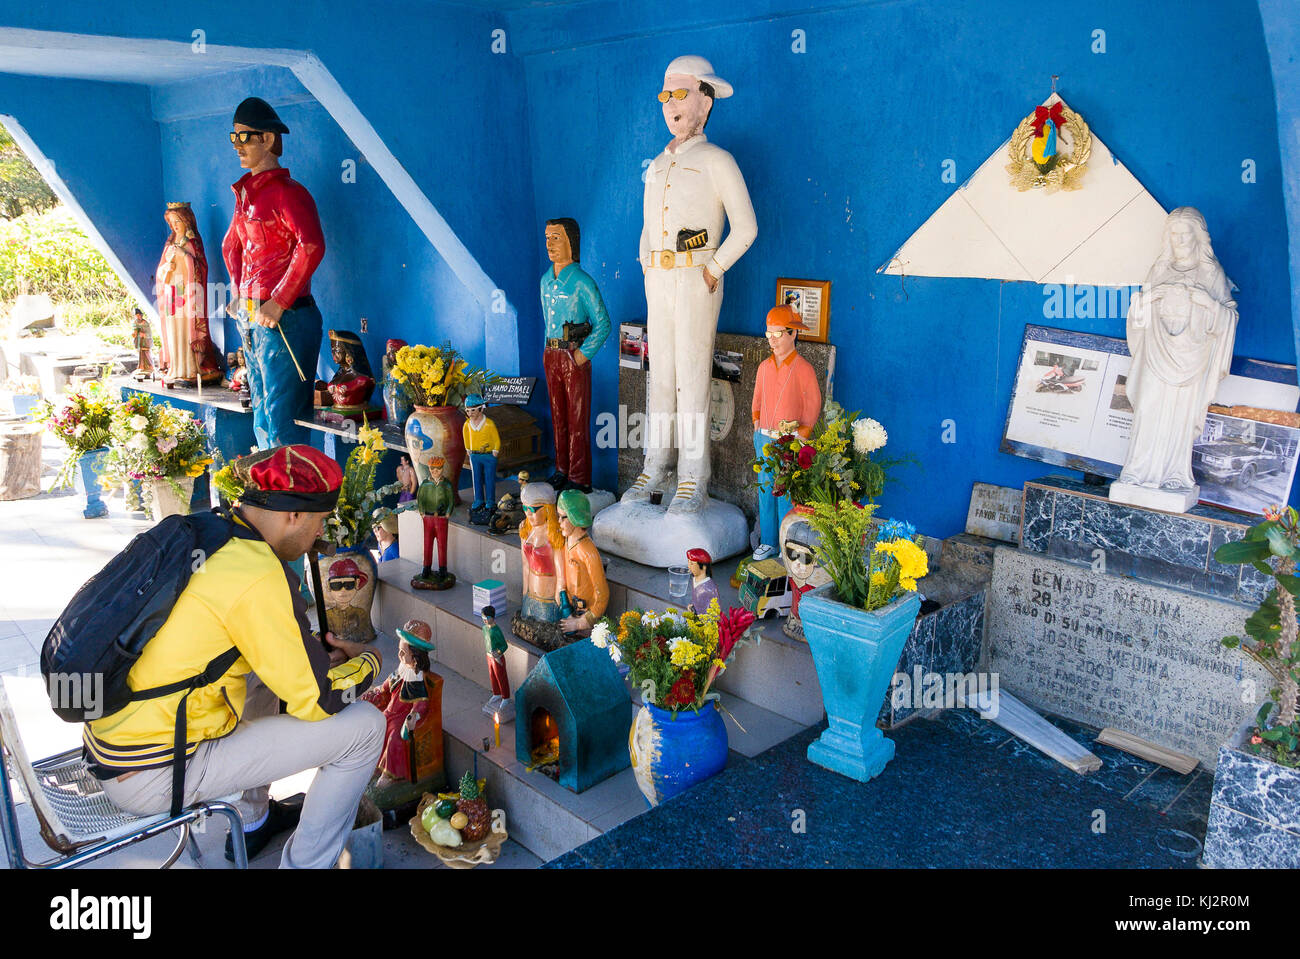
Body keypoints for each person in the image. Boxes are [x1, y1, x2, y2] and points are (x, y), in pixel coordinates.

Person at [89, 444, 384, 868]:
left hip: (118, 743)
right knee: (366, 728)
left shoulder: (209, 530)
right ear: (293, 516)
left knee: (263, 678)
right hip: (155, 770)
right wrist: (368, 661)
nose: (319, 536)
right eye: (320, 521)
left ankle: (253, 819)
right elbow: (317, 701)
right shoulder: (257, 572)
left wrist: (309, 652)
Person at [627, 55, 757, 513]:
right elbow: (647, 223)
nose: (670, 105)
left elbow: (746, 227)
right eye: (665, 96)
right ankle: (655, 465)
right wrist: (645, 261)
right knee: (659, 375)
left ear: (705, 100)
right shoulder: (657, 165)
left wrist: (712, 269)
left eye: (680, 94)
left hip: (695, 275)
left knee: (692, 374)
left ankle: (692, 476)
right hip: (658, 280)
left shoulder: (717, 160)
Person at [222, 96, 326, 450]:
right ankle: (270, 494)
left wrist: (279, 301)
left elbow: (311, 245)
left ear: (267, 139)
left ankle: (293, 497)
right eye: (233, 138)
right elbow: (230, 247)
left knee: (284, 418)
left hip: (287, 319)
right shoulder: (246, 196)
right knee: (262, 412)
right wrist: (239, 294)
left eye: (245, 137)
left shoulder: (288, 194)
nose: (238, 146)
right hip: (255, 315)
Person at [1116, 207, 1238, 494]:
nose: (1180, 240)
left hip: (1191, 358)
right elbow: (1139, 317)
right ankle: (1136, 470)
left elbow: (1229, 316)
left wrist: (1207, 303)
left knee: (1180, 416)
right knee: (1147, 410)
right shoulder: (1159, 269)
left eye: (1186, 234)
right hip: (1156, 354)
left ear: (1198, 237)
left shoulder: (1211, 272)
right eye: (1175, 234)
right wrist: (1147, 300)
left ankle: (1175, 474)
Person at [540, 217, 611, 494]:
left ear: (571, 242)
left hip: (572, 355)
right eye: (547, 238)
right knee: (557, 416)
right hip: (551, 353)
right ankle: (562, 469)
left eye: (556, 237)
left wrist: (581, 355)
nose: (550, 244)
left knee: (577, 418)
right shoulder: (546, 281)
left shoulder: (582, 282)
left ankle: (579, 476)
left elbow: (603, 323)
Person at [752, 304, 822, 547]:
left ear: (793, 334)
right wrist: (756, 423)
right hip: (764, 438)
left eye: (778, 334)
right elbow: (757, 399)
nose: (772, 340)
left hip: (790, 440)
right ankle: (768, 542)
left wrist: (803, 432)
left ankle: (785, 545)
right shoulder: (764, 367)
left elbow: (813, 402)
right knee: (765, 492)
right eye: (769, 334)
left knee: (787, 494)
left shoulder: (804, 369)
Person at [362, 620, 441, 790]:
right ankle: (373, 767)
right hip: (389, 712)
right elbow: (384, 688)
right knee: (375, 727)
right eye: (399, 651)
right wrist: (373, 694)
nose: (400, 656)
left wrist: (413, 716)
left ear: (416, 656)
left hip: (401, 717)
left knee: (394, 738)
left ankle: (390, 775)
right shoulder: (400, 671)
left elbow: (421, 704)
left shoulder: (419, 679)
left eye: (403, 652)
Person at [556, 489, 609, 635]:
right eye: (558, 516)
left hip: (585, 619)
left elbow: (602, 595)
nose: (559, 522)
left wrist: (580, 623)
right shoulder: (567, 541)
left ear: (575, 517)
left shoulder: (587, 551)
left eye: (563, 517)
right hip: (569, 609)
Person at [412, 454, 455, 589]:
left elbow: (450, 499)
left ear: (442, 469)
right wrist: (422, 512)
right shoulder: (425, 484)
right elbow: (420, 498)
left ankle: (443, 569)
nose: (435, 471)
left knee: (442, 544)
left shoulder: (446, 484)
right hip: (428, 518)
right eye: (432, 469)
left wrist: (448, 513)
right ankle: (426, 568)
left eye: (437, 469)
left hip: (441, 518)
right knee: (427, 543)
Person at [462, 393, 501, 519]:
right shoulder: (467, 424)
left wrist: (495, 450)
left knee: (489, 479)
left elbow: (496, 439)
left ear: (481, 409)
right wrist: (468, 449)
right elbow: (466, 437)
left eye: (473, 410)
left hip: (489, 455)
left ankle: (490, 501)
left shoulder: (489, 424)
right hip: (475, 455)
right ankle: (478, 500)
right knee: (476, 478)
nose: (470, 413)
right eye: (468, 410)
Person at [481, 605, 511, 713]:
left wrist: (498, 652)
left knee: (501, 676)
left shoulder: (496, 630)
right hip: (489, 656)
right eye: (483, 618)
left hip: (497, 657)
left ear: (492, 618)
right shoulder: (484, 629)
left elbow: (504, 645)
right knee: (492, 676)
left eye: (487, 618)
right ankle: (496, 693)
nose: (484, 620)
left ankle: (505, 697)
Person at [686, 547, 720, 614]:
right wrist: (693, 607)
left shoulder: (710, 588)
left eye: (692, 564)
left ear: (704, 567)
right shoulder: (694, 580)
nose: (688, 566)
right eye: (688, 562)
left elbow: (716, 612)